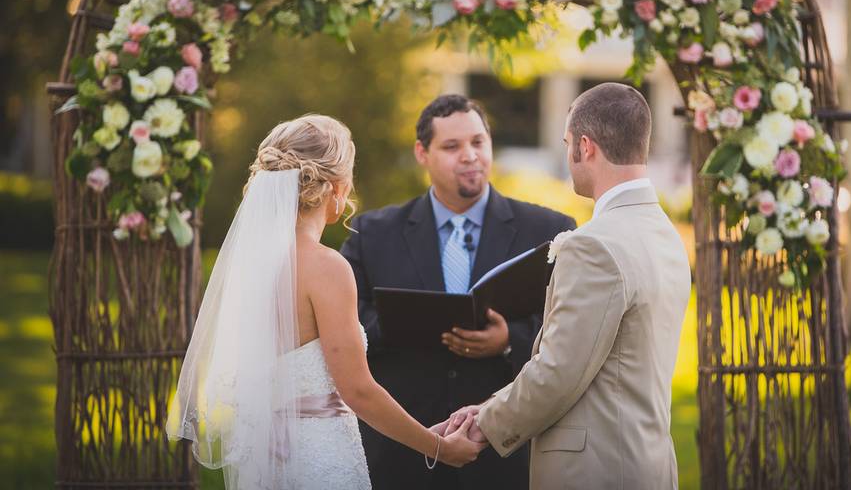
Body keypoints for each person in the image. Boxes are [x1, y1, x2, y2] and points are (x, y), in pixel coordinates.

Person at [167, 114, 483, 490]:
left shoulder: (250, 265)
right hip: (318, 455)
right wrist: (439, 448)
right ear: (335, 188)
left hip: (268, 455)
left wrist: (418, 432)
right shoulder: (326, 267)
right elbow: (358, 391)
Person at [443, 83, 692, 490]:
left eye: (566, 143)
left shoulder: (594, 245)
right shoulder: (664, 233)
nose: (568, 154)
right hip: (647, 462)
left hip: (596, 471)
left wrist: (483, 425)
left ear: (586, 146)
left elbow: (559, 372)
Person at [341, 95, 576, 489]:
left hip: (506, 456)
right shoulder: (370, 235)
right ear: (422, 153)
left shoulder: (549, 231)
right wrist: (407, 323)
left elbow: (570, 329)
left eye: (477, 142)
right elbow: (346, 326)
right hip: (403, 455)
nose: (469, 156)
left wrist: (509, 340)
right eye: (452, 147)